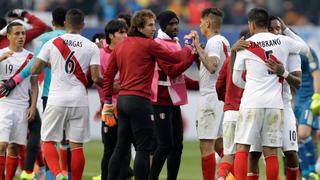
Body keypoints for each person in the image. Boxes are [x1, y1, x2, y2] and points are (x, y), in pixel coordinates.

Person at [101, 9, 196, 180]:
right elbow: (175, 58)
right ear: (139, 26)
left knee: (120, 148)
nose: (154, 28)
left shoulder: (121, 45)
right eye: (150, 25)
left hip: (122, 100)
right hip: (140, 101)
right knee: (143, 149)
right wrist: (189, 47)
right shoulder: (149, 44)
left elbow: (108, 75)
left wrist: (107, 102)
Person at [232, 8, 309, 180]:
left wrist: (251, 84)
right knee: (271, 152)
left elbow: (236, 80)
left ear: (251, 24)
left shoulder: (245, 45)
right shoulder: (283, 41)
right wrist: (287, 30)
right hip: (275, 104)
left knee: (243, 148)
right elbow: (305, 49)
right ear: (267, 24)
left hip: (251, 102)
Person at [30, 9, 103, 180]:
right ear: (83, 25)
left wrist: (53, 65)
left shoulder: (52, 43)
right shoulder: (91, 46)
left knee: (48, 141)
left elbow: (34, 69)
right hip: (80, 100)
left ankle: (57, 175)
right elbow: (96, 78)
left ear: (65, 24)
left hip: (56, 98)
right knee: (77, 146)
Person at [149, 10, 198, 180]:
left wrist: (200, 85)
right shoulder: (158, 44)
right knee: (164, 145)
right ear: (162, 26)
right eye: (170, 24)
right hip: (160, 100)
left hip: (173, 101)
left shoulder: (175, 43)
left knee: (177, 147)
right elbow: (171, 71)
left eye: (176, 23)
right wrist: (191, 56)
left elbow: (180, 76)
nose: (175, 27)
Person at [192, 7, 230, 180]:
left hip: (211, 98)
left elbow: (213, 67)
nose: (200, 26)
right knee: (219, 143)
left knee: (206, 144)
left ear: (207, 23)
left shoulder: (213, 42)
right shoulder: (223, 41)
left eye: (201, 22)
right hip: (220, 97)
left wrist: (198, 49)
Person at [94, 19, 133, 180]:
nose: (125, 35)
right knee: (109, 149)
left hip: (125, 106)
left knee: (125, 151)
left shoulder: (129, 53)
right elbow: (99, 81)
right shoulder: (101, 54)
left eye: (126, 32)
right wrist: (114, 88)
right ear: (111, 35)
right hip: (109, 108)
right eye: (121, 32)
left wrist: (116, 85)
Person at [0, 22, 36, 180]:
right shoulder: (1, 54)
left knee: (14, 147)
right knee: (2, 145)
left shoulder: (31, 57)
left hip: (22, 106)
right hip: (3, 104)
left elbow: (34, 85)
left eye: (23, 33)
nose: (21, 36)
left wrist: (33, 106)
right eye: (17, 34)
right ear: (8, 36)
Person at [215, 29, 250, 180]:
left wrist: (227, 98)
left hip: (230, 112)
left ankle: (222, 177)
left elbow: (219, 86)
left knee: (228, 153)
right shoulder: (255, 61)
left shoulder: (229, 59)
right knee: (250, 155)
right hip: (248, 112)